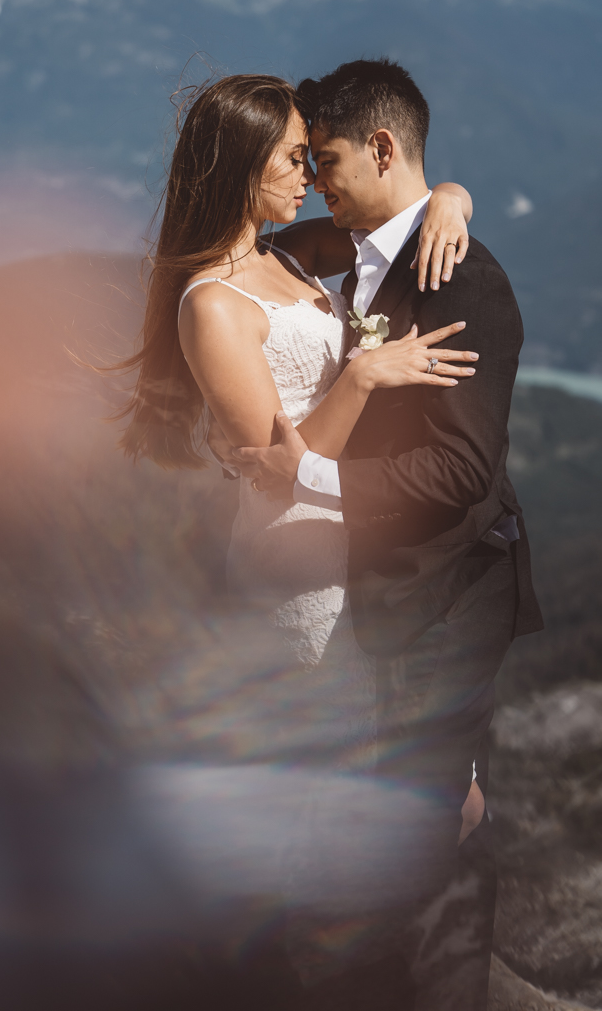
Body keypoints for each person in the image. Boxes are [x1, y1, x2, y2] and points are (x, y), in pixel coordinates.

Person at [115, 70, 486, 1000]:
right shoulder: (210, 303)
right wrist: (361, 378)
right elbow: (276, 466)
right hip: (298, 571)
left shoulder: (292, 254)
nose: (310, 177)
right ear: (244, 168)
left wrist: (449, 196)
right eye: (292, 159)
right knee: (344, 805)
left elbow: (396, 218)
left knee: (441, 795)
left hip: (360, 549)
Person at [216, 58, 544, 1010]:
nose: (313, 180)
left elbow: (459, 473)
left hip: (445, 592)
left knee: (420, 828)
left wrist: (304, 475)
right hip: (375, 581)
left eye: (323, 160)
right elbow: (243, 249)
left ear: (382, 148)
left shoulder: (462, 280)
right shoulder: (353, 243)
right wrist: (450, 192)